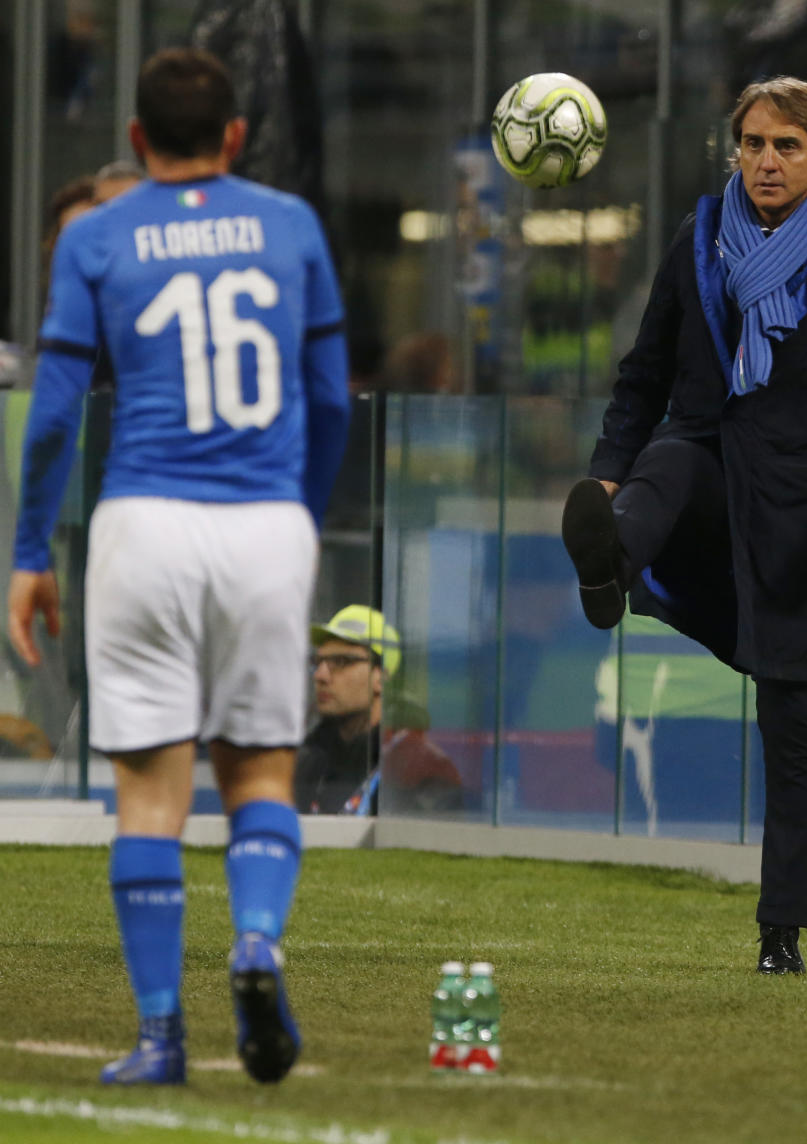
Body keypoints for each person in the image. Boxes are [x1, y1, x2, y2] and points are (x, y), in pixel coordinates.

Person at [7, 47, 350, 1084]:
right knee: (259, 770)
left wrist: (28, 551)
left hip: (145, 523)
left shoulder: (98, 233)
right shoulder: (289, 224)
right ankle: (254, 940)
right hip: (263, 523)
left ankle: (160, 1035)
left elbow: (57, 413)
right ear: (236, 136)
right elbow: (331, 398)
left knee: (148, 795)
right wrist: (301, 512)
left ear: (135, 139)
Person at [561, 76, 807, 974]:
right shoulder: (700, 237)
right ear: (736, 151)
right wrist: (604, 473)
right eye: (754, 145)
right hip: (699, 481)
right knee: (670, 461)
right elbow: (642, 375)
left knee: (792, 730)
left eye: (788, 147)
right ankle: (607, 555)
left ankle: (781, 934)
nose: (767, 162)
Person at [295, 604, 462, 816]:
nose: (320, 676)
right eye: (317, 662)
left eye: (340, 662)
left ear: (381, 678)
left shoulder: (423, 770)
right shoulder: (307, 762)